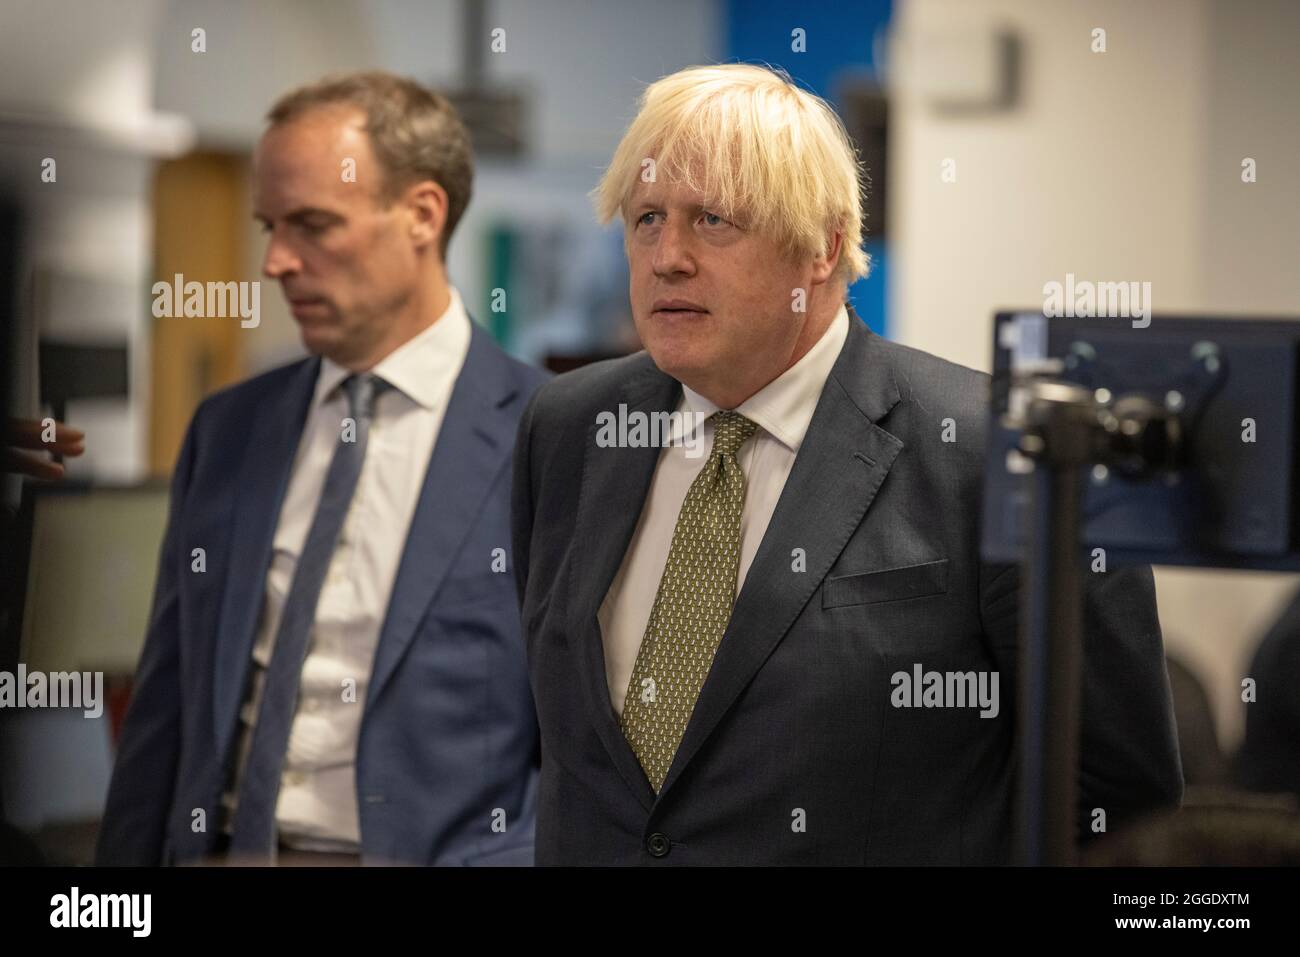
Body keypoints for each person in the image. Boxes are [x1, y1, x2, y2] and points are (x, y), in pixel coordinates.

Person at [511, 64, 1182, 865]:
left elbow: (1115, 805)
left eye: (713, 220)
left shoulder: (1001, 451)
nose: (667, 257)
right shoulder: (571, 427)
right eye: (646, 218)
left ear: (823, 248)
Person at [98, 72, 545, 866]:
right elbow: (166, 704)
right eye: (270, 225)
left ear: (422, 215)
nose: (275, 262)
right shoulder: (231, 429)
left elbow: (589, 751)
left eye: (313, 225)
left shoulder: (548, 437)